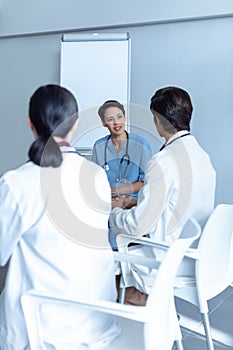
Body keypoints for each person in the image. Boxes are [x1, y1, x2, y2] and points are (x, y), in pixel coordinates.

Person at [0, 84, 120, 349]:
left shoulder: (18, 183)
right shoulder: (97, 177)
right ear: (75, 124)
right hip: (98, 324)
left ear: (30, 123)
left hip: (43, 333)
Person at [109, 86, 216, 295]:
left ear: (157, 120)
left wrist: (114, 213)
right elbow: (175, 204)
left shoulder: (163, 161)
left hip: (167, 260)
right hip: (196, 259)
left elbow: (138, 226)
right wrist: (136, 202)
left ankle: (142, 311)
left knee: (108, 270)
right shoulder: (203, 158)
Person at [92, 100, 152, 251]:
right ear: (103, 123)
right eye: (110, 119)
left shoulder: (141, 145)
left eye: (119, 117)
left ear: (125, 118)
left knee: (130, 253)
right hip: (108, 205)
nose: (116, 122)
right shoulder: (99, 146)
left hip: (133, 206)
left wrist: (116, 192)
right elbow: (94, 180)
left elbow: (146, 182)